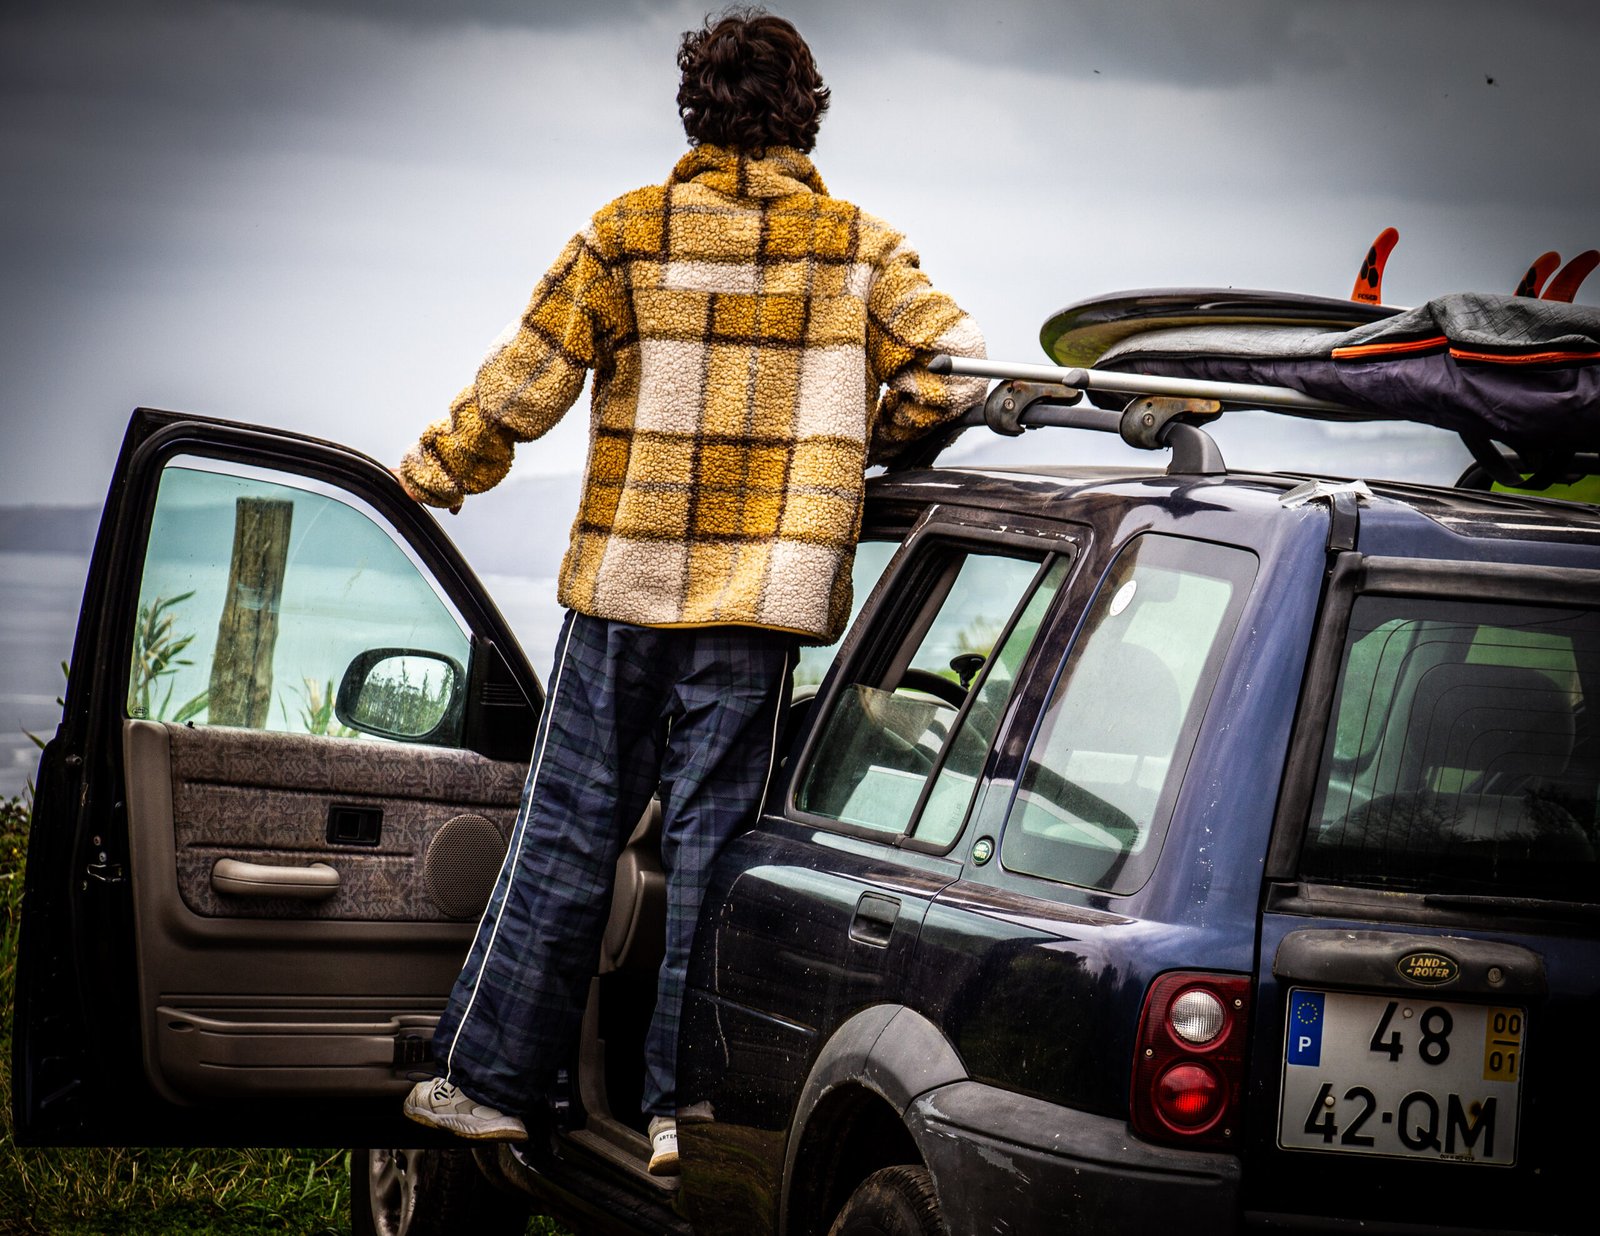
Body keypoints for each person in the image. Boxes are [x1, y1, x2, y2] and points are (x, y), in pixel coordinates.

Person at [397, 8, 986, 1176]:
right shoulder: (857, 249)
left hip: (624, 586)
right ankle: (682, 1112)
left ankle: (493, 1082)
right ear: (806, 114)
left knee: (568, 838)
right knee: (715, 858)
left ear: (692, 111)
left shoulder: (626, 235)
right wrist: (848, 454)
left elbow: (528, 378)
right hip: (759, 603)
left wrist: (440, 469)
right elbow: (952, 378)